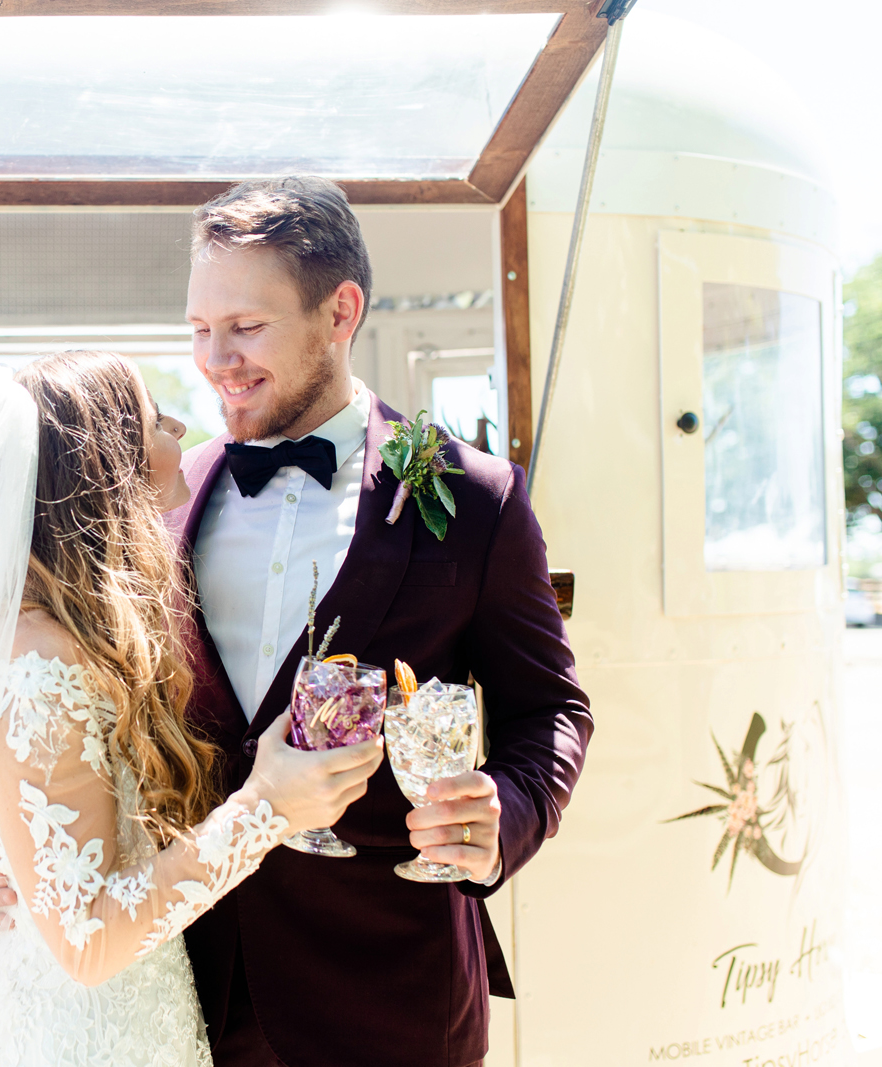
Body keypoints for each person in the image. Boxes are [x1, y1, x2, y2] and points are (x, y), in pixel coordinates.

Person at [175, 177, 593, 1067]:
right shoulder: (165, 493)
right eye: (199, 329)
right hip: (186, 989)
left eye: (245, 326)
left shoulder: (476, 497)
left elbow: (551, 710)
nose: (216, 359)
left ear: (340, 312)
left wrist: (507, 808)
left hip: (392, 994)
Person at [0, 351, 388, 1067]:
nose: (180, 430)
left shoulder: (67, 634)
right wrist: (269, 806)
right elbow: (87, 943)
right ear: (106, 464)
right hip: (74, 1039)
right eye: (155, 420)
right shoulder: (40, 666)